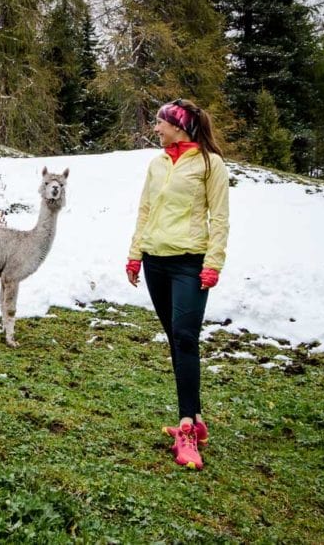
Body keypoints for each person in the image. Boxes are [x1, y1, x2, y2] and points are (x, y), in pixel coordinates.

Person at [126, 98, 229, 471]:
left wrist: (213, 263)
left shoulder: (209, 164)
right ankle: (195, 417)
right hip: (155, 261)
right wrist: (135, 255)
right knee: (176, 338)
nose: (155, 128)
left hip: (189, 263)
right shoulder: (157, 164)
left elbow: (220, 218)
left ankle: (186, 429)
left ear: (178, 125)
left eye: (160, 122)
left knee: (185, 338)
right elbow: (145, 211)